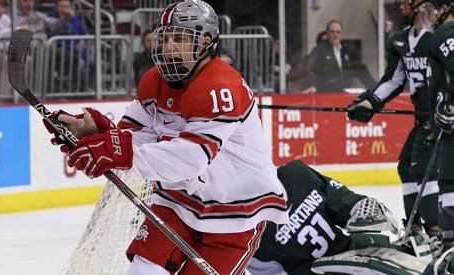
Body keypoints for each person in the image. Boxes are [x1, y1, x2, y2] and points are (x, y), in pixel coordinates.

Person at [42, 0, 289, 274]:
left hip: (235, 215)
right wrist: (93, 132)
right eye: (166, 38)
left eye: (180, 39)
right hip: (177, 201)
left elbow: (190, 159)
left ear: (205, 42)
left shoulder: (220, 88)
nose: (168, 47)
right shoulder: (153, 80)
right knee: (143, 271)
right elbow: (134, 137)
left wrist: (117, 150)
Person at [246, 160, 454, 275]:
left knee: (410, 256)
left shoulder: (295, 174)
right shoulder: (238, 228)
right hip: (321, 270)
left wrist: (362, 211)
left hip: (354, 251)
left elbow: (348, 203)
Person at [347, 0, 441, 244]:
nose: (400, 6)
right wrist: (370, 101)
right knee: (406, 168)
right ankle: (416, 226)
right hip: (423, 117)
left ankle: (437, 230)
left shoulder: (440, 37)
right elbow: (394, 79)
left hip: (439, 116)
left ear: (421, 6)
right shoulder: (400, 40)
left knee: (423, 170)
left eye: (405, 2)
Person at [427, 0, 454, 255]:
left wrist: (449, 103)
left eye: (436, 8)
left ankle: (450, 243)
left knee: (449, 181)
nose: (432, 14)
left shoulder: (446, 32)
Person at [301, 19, 376, 93]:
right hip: (326, 94)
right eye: (332, 32)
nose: (335, 34)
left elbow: (361, 71)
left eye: (338, 32)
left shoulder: (348, 50)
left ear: (341, 34)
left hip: (344, 93)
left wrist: (376, 88)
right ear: (327, 33)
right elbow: (310, 69)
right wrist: (311, 85)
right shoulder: (319, 50)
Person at [47, 0, 90, 92]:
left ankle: (90, 89)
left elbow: (84, 34)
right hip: (60, 51)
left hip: (77, 50)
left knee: (96, 62)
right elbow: (51, 37)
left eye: (67, 7)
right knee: (79, 62)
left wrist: (84, 42)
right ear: (56, 8)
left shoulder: (76, 19)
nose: (64, 9)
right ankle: (77, 91)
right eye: (62, 6)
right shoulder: (51, 19)